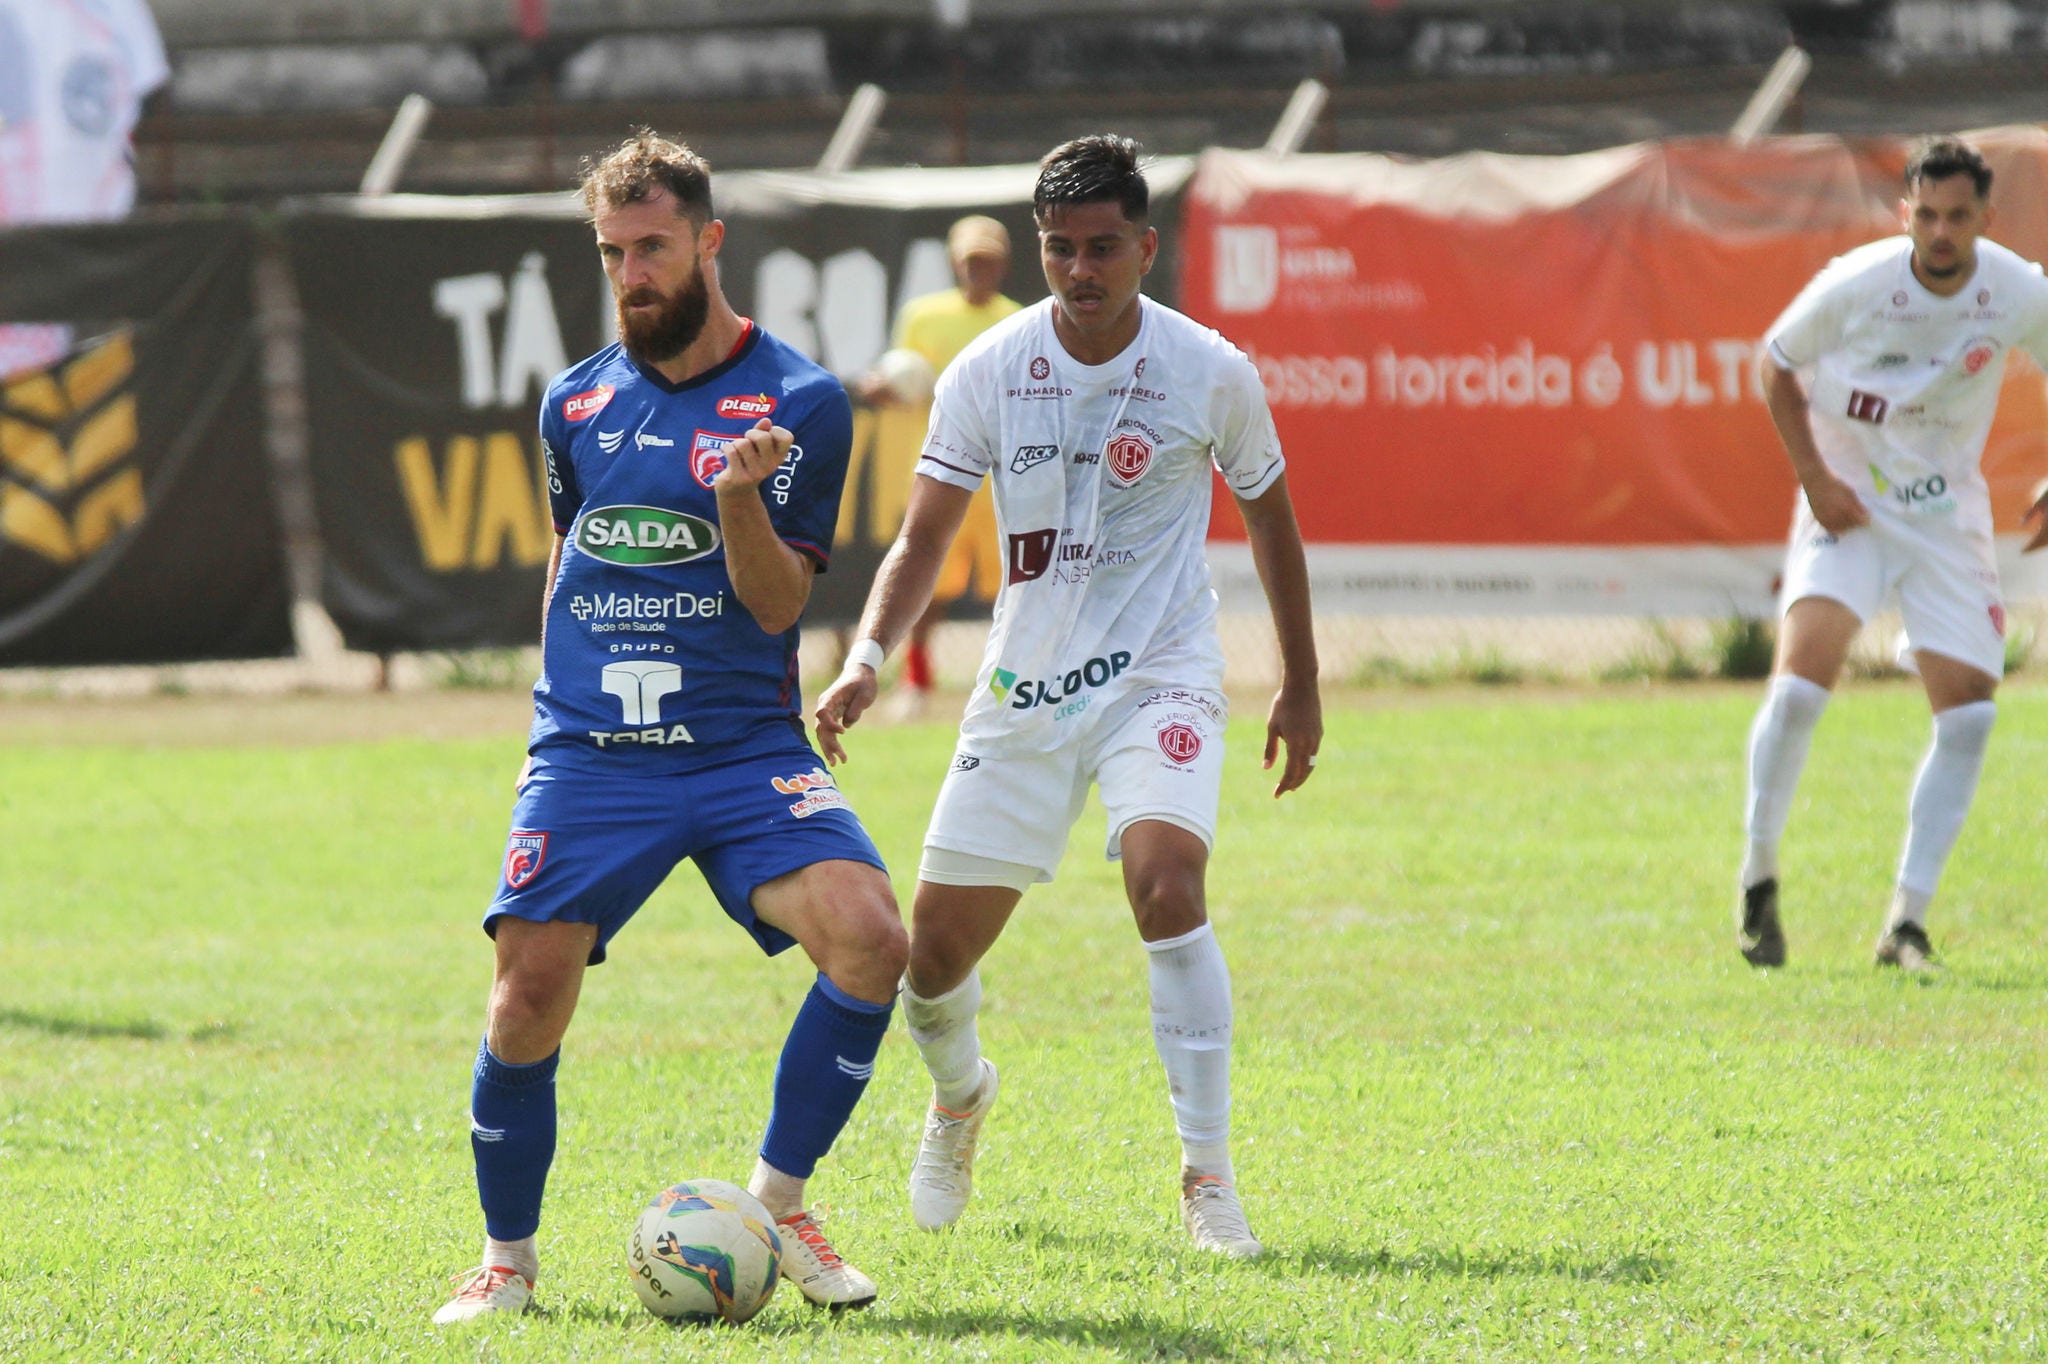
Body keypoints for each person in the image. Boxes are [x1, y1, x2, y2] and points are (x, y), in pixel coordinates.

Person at [815, 134, 1321, 1257]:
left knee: (1165, 881)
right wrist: (864, 652)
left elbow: (1270, 518)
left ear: (1145, 247)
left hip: (1160, 673)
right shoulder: (986, 371)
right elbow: (922, 536)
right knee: (931, 959)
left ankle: (1206, 1176)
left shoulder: (1210, 371)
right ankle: (959, 1096)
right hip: (1024, 688)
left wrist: (1298, 678)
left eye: (1101, 248)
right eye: (1059, 250)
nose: (1079, 271)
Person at [433, 130, 908, 1323]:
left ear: (708, 240)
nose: (632, 271)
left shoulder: (796, 401)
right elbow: (569, 547)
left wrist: (737, 495)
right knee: (523, 996)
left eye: (652, 246)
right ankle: (506, 1263)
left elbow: (779, 601)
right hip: (594, 753)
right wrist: (559, 705)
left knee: (868, 936)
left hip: (744, 748)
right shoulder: (575, 399)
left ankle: (776, 1204)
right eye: (611, 252)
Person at [1738, 134, 2048, 973]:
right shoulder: (1860, 283)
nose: (1941, 233)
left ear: (1986, 218)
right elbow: (1774, 363)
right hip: (1850, 499)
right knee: (1801, 689)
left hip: (1945, 517)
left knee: (1972, 714)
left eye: (1959, 217)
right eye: (1928, 216)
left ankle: (1905, 925)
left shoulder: (2017, 290)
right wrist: (1812, 476)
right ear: (1905, 214)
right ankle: (1758, 877)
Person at [853, 214, 1023, 718]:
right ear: (955, 263)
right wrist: (884, 386)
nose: (979, 270)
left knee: (1012, 592)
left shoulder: (1016, 318)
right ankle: (917, 683)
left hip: (1002, 480)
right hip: (940, 471)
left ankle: (1007, 689)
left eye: (988, 261)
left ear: (1004, 265)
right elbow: (902, 377)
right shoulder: (924, 315)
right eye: (972, 261)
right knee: (928, 582)